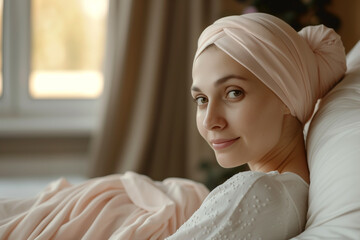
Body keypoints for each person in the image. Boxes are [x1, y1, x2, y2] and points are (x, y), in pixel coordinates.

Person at [166, 12, 346, 239]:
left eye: (233, 93)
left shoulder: (255, 191)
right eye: (201, 99)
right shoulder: (288, 193)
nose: (209, 120)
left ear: (287, 97)